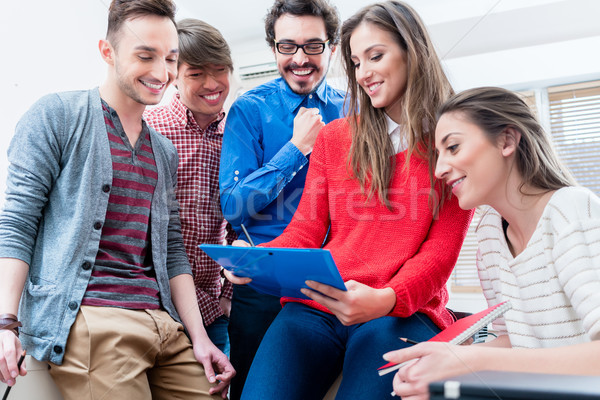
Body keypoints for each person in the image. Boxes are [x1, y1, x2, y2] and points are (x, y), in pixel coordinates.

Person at [225, 2, 473, 399]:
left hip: (398, 311)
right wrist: (261, 260)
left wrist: (386, 298)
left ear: (413, 51)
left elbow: (440, 251)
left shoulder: (453, 140)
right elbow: (305, 228)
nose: (365, 74)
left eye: (376, 56)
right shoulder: (336, 137)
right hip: (319, 304)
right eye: (356, 63)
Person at [0, 1, 234, 398]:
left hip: (164, 323)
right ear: (107, 52)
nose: (161, 72)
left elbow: (172, 250)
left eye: (170, 59)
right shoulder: (57, 116)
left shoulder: (163, 151)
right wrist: (6, 324)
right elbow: (17, 222)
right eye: (146, 56)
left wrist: (199, 338)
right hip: (92, 318)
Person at [386, 87, 600, 399]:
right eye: (438, 154)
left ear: (507, 141)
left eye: (454, 147)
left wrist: (468, 361)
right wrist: (443, 361)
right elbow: (511, 337)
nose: (439, 169)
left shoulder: (572, 211)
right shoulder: (489, 234)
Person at [218, 0, 346, 397]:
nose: (300, 59)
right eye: (287, 46)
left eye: (313, 46)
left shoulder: (354, 110)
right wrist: (296, 148)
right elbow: (235, 205)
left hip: (335, 283)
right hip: (262, 283)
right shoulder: (249, 111)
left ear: (333, 48)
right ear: (273, 49)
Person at [145, 18, 237, 356]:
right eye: (196, 74)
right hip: (155, 302)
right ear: (174, 77)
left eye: (220, 70)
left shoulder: (237, 135)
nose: (212, 83)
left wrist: (227, 297)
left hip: (213, 308)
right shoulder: (149, 128)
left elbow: (239, 225)